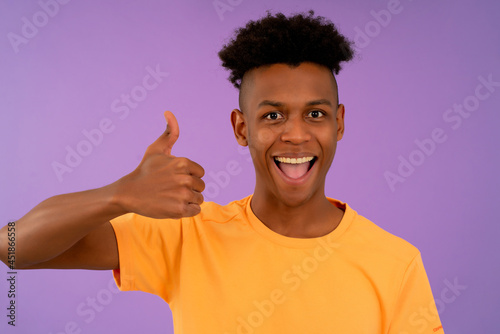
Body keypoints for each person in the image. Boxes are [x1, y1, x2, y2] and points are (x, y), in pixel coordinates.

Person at [0, 10, 444, 334]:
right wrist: (119, 194)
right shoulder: (188, 235)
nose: (294, 134)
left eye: (314, 114)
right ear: (240, 128)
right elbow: (13, 246)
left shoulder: (396, 264)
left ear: (339, 123)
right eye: (272, 116)